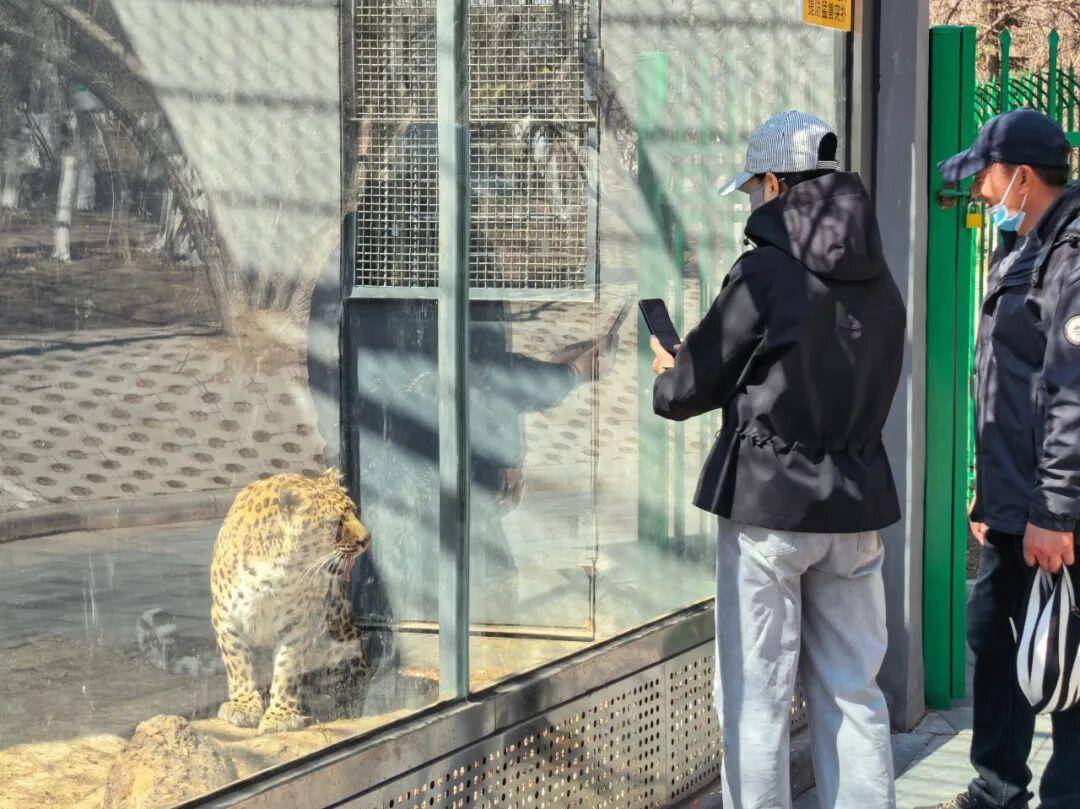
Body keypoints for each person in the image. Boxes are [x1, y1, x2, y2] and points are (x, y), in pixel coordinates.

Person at [649, 110, 906, 809]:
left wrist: (670, 371)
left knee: (755, 702)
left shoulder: (764, 270)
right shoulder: (878, 272)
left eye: (754, 189)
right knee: (854, 693)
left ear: (772, 182)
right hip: (855, 509)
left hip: (769, 511)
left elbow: (688, 389)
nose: (753, 202)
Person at [927, 109, 1080, 809]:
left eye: (984, 176)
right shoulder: (1024, 246)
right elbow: (1008, 381)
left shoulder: (1071, 257)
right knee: (996, 636)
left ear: (1021, 176)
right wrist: (989, 492)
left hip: (1055, 509)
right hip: (1017, 500)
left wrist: (1056, 511)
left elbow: (1071, 395)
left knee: (1066, 654)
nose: (979, 192)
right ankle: (998, 787)